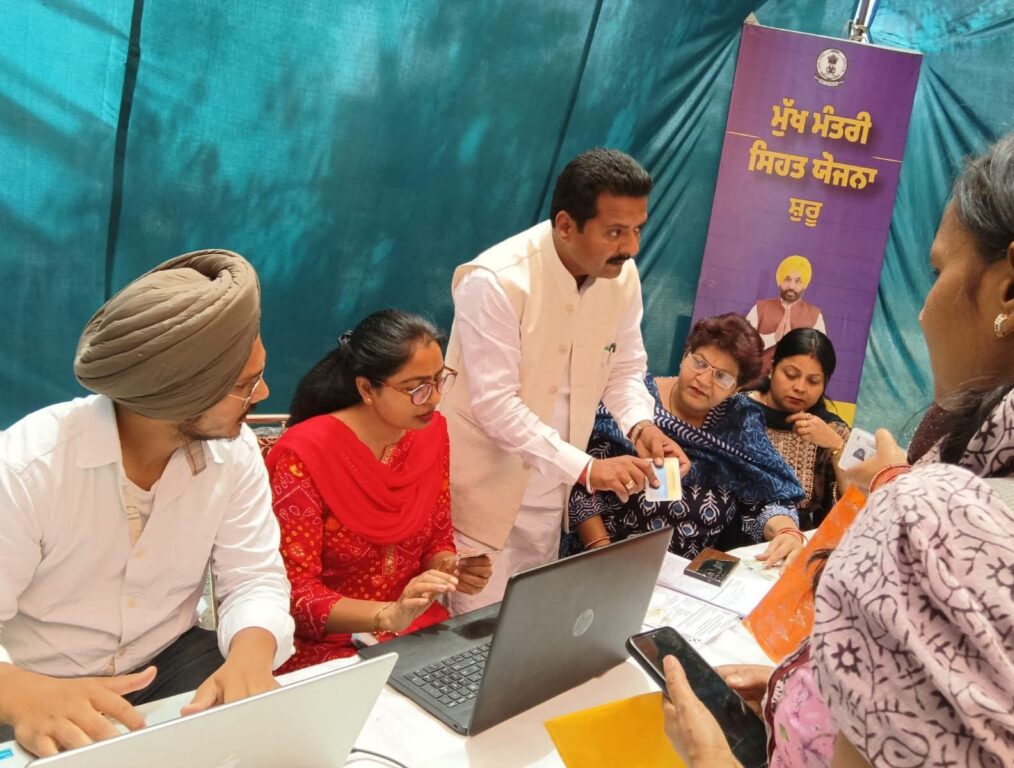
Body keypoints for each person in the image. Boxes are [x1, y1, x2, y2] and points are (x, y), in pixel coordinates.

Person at [661, 130, 1014, 767]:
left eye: (938, 271)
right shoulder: (678, 408)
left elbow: (773, 492)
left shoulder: (924, 514)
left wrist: (710, 756)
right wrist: (798, 689)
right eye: (701, 365)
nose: (922, 312)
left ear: (1011, 291)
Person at [0, 250, 295, 758]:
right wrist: (20, 693)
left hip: (170, 662)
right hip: (39, 686)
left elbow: (253, 576)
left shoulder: (235, 453)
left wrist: (251, 653)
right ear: (175, 394)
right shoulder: (28, 469)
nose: (264, 393)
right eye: (244, 385)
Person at [441, 148, 687, 612]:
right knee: (471, 637)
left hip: (552, 490)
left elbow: (625, 368)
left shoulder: (622, 276)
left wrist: (641, 426)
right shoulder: (495, 280)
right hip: (477, 493)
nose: (631, 247)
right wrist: (587, 469)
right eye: (614, 231)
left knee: (525, 626)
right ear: (566, 225)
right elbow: (495, 405)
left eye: (637, 229)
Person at [265, 310, 493, 672]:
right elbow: (294, 593)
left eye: (439, 380)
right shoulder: (304, 455)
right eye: (415, 388)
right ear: (367, 389)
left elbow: (436, 540)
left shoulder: (431, 434)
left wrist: (450, 568)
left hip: (412, 630)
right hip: (327, 644)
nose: (434, 398)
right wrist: (387, 615)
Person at [568, 313, 807, 567]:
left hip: (694, 574)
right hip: (608, 559)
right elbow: (579, 484)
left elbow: (766, 498)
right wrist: (602, 555)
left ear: (736, 388)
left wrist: (786, 531)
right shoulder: (633, 399)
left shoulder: (740, 421)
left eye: (722, 377)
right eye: (699, 362)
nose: (703, 380)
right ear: (684, 356)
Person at [746, 328, 850, 529]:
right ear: (772, 368)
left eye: (813, 381)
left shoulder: (832, 430)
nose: (800, 387)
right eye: (791, 374)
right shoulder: (737, 411)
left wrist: (836, 447)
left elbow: (855, 502)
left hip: (795, 538)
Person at [747, 255, 827, 376]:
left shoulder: (815, 316)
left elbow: (820, 356)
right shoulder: (759, 308)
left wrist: (794, 345)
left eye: (798, 281)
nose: (791, 286)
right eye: (787, 279)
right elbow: (744, 346)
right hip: (756, 379)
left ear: (804, 285)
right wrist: (773, 339)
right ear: (779, 282)